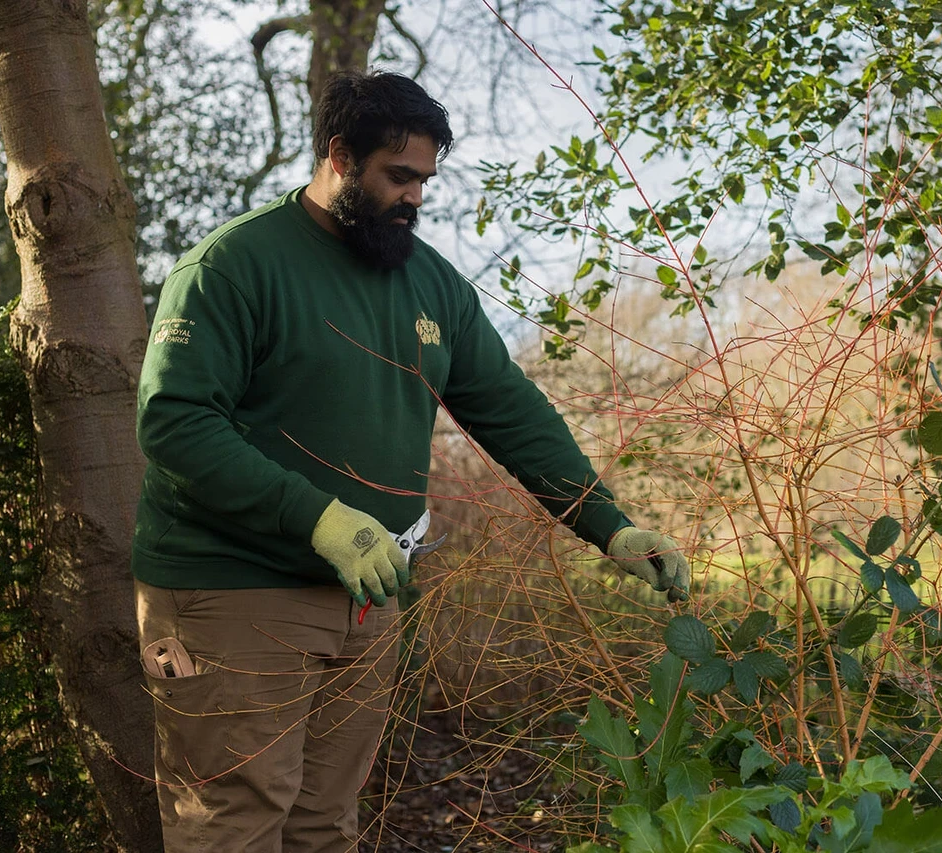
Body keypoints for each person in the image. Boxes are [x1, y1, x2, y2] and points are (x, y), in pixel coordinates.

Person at [131, 69, 690, 853]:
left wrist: (610, 525)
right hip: (233, 593)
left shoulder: (429, 283)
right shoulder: (233, 266)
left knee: (324, 824)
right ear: (338, 156)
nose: (416, 198)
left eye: (425, 179)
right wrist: (317, 516)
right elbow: (175, 423)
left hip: (367, 597)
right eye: (399, 176)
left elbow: (512, 410)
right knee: (234, 824)